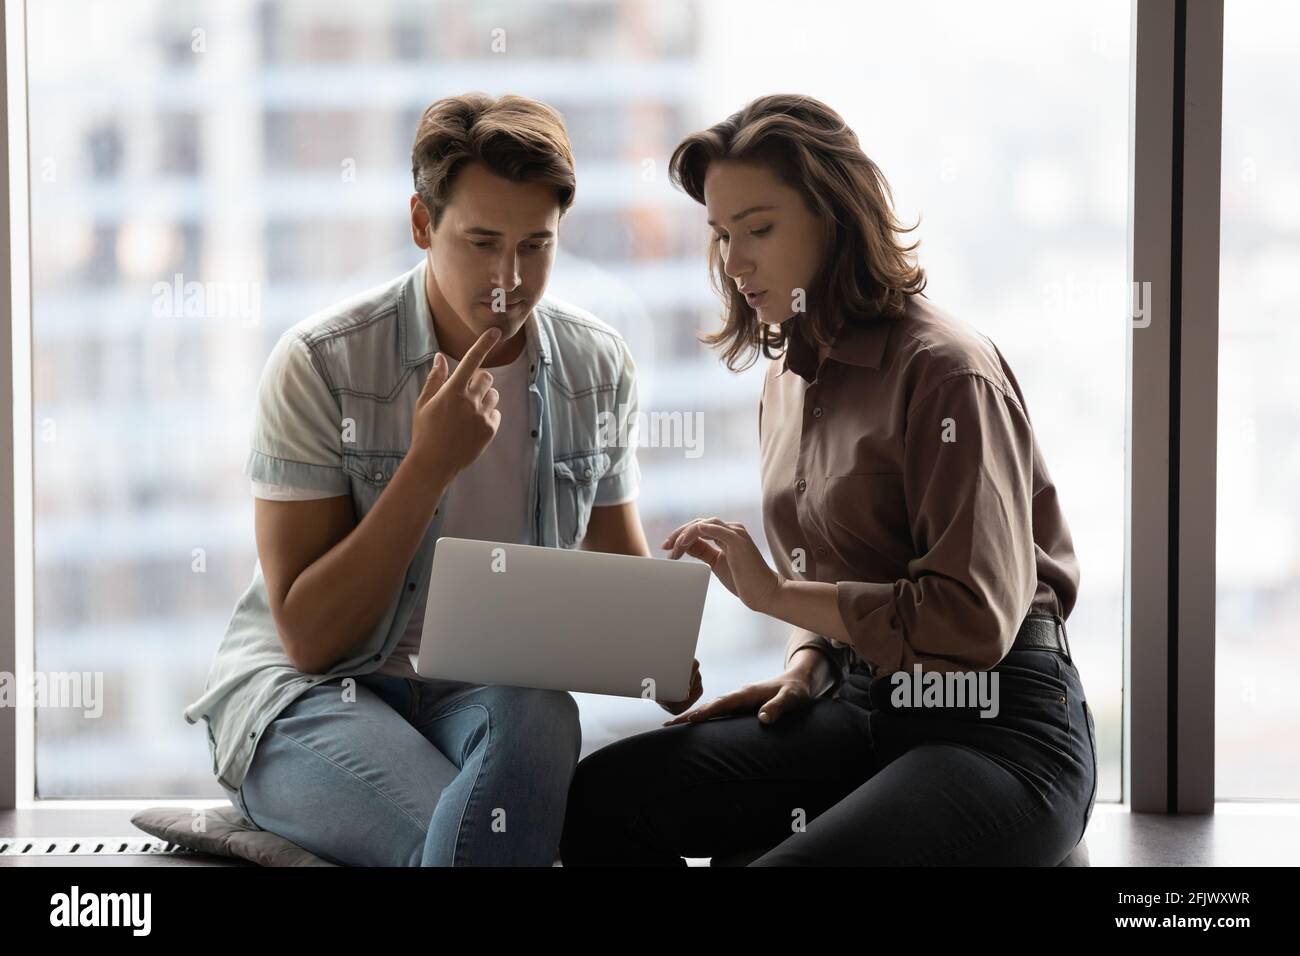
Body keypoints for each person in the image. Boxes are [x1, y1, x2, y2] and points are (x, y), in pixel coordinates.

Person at [560, 93, 1098, 866]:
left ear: (835, 216)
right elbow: (842, 574)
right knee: (603, 798)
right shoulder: (787, 376)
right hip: (855, 705)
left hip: (998, 726)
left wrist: (776, 596)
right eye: (721, 234)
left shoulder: (947, 374)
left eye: (760, 229)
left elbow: (973, 621)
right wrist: (809, 659)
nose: (735, 261)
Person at [183, 92, 702, 867]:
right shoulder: (323, 364)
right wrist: (428, 467)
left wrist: (659, 656)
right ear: (423, 226)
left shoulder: (597, 367)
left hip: (482, 697)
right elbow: (313, 638)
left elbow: (612, 558)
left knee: (542, 714)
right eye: (482, 241)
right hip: (314, 698)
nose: (509, 279)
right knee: (494, 847)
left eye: (536, 246)